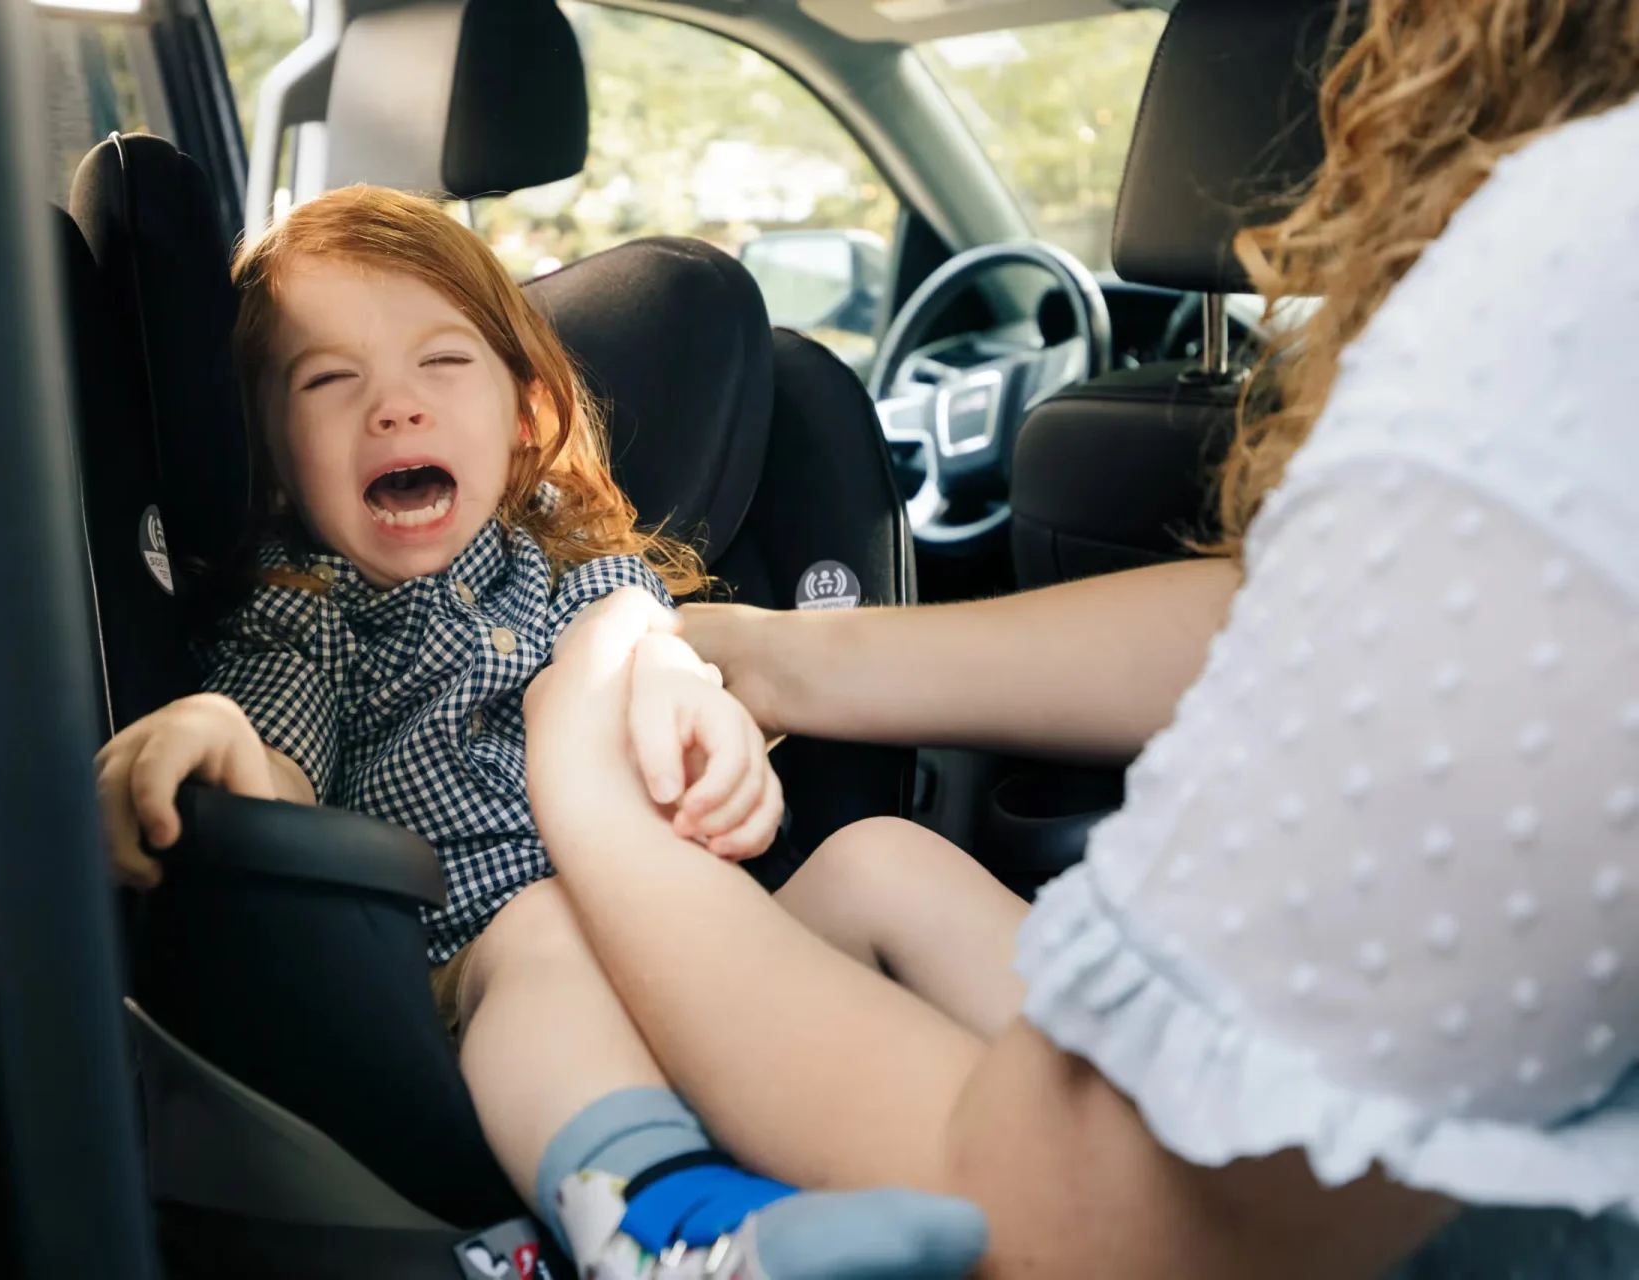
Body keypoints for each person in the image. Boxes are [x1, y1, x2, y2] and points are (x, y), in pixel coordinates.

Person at [520, 2, 1639, 1275]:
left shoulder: (1581, 264)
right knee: (883, 857)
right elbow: (1338, 615)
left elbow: (1081, 1219)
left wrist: (584, 789)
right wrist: (777, 654)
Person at [91, 185, 1004, 1280]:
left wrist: (710, 720)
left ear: (525, 413)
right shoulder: (309, 609)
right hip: (475, 979)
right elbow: (274, 763)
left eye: (442, 363)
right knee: (546, 925)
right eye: (330, 380)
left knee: (881, 858)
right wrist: (212, 731)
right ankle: (672, 1225)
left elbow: (657, 654)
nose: (395, 407)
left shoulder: (591, 580)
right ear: (275, 457)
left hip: (698, 953)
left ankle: (1124, 1090)